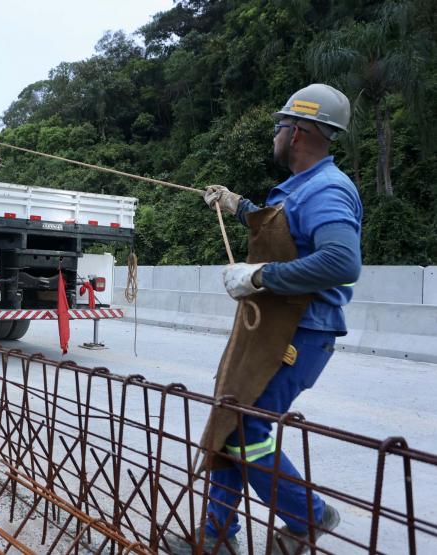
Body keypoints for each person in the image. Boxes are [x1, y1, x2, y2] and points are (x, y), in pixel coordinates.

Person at [167, 84, 363, 554]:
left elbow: (341, 261)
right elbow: (285, 229)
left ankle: (309, 518)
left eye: (279, 125)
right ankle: (216, 538)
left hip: (300, 333)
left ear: (296, 131)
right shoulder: (303, 188)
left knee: (246, 431)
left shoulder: (327, 190)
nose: (274, 134)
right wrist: (238, 206)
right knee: (232, 425)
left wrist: (260, 278)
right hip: (274, 329)